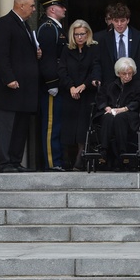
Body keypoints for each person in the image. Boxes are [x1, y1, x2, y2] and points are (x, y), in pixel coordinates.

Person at [0, 0, 40, 173]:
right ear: (21, 6)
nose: (34, 10)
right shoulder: (4, 23)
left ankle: (15, 162)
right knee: (7, 127)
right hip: (8, 89)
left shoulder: (25, 25)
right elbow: (1, 55)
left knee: (20, 127)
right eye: (32, 6)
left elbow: (21, 52)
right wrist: (9, 78)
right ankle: (5, 163)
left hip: (24, 89)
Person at [57, 19, 100, 170]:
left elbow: (95, 70)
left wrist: (83, 86)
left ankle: (79, 160)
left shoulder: (94, 49)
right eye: (76, 34)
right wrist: (71, 87)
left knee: (83, 128)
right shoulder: (67, 50)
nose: (80, 37)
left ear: (88, 34)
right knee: (68, 129)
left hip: (87, 94)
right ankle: (66, 160)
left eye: (82, 34)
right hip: (70, 94)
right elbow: (62, 71)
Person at [96, 57, 140, 170]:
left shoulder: (139, 85)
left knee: (120, 118)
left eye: (129, 73)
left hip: (130, 114)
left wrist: (125, 108)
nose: (127, 76)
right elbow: (101, 98)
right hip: (112, 112)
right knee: (108, 117)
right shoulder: (110, 85)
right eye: (124, 74)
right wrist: (106, 107)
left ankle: (122, 151)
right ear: (118, 73)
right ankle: (104, 150)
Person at [36, 0, 68, 171]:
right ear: (52, 9)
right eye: (61, 6)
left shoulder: (57, 27)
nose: (64, 9)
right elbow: (47, 59)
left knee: (57, 124)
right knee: (50, 125)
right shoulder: (48, 28)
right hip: (52, 85)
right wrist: (51, 83)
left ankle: (58, 160)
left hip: (59, 83)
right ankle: (51, 162)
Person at [96, 2, 140, 89]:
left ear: (128, 20)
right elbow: (97, 61)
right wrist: (96, 77)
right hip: (111, 85)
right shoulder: (103, 39)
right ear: (111, 20)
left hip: (135, 84)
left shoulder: (139, 37)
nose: (119, 24)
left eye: (122, 20)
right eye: (116, 21)